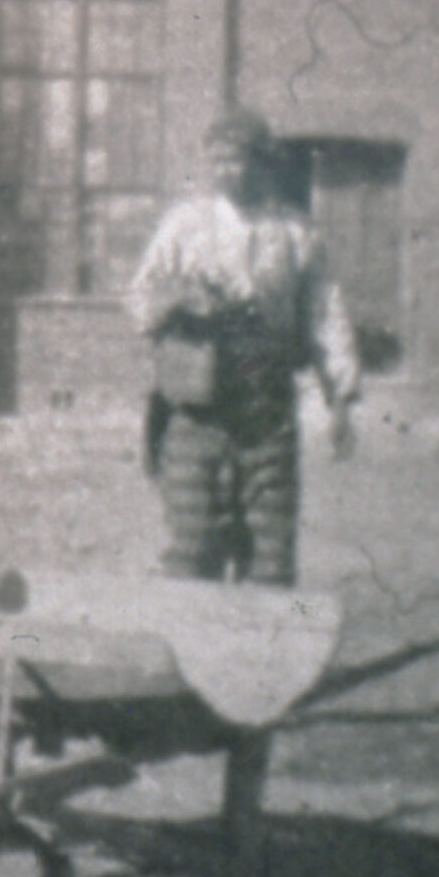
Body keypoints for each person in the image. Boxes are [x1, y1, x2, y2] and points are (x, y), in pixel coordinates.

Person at [126, 108, 360, 588]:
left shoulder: (295, 233)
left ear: (263, 162)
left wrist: (340, 400)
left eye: (236, 160)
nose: (224, 171)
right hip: (196, 412)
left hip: (266, 412)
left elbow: (325, 316)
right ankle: (193, 655)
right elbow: (139, 300)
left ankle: (264, 659)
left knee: (271, 552)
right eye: (216, 161)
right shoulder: (184, 225)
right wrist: (178, 299)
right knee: (192, 548)